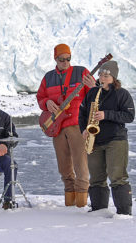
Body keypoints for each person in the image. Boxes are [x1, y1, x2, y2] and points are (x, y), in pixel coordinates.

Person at [36, 43, 96, 208]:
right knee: (64, 166)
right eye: (61, 59)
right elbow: (40, 97)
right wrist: (46, 102)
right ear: (55, 59)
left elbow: (96, 95)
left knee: (81, 164)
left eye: (68, 59)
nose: (65, 62)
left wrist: (93, 87)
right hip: (57, 126)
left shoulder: (81, 72)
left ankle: (82, 202)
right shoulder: (48, 78)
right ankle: (70, 200)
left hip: (77, 124)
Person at [79, 61, 135, 215]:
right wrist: (83, 129)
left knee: (117, 176)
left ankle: (124, 213)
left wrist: (106, 114)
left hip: (115, 140)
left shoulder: (122, 94)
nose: (102, 78)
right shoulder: (92, 93)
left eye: (106, 75)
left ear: (113, 78)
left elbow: (129, 115)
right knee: (96, 177)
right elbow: (82, 113)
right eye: (101, 75)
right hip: (95, 140)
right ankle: (98, 210)